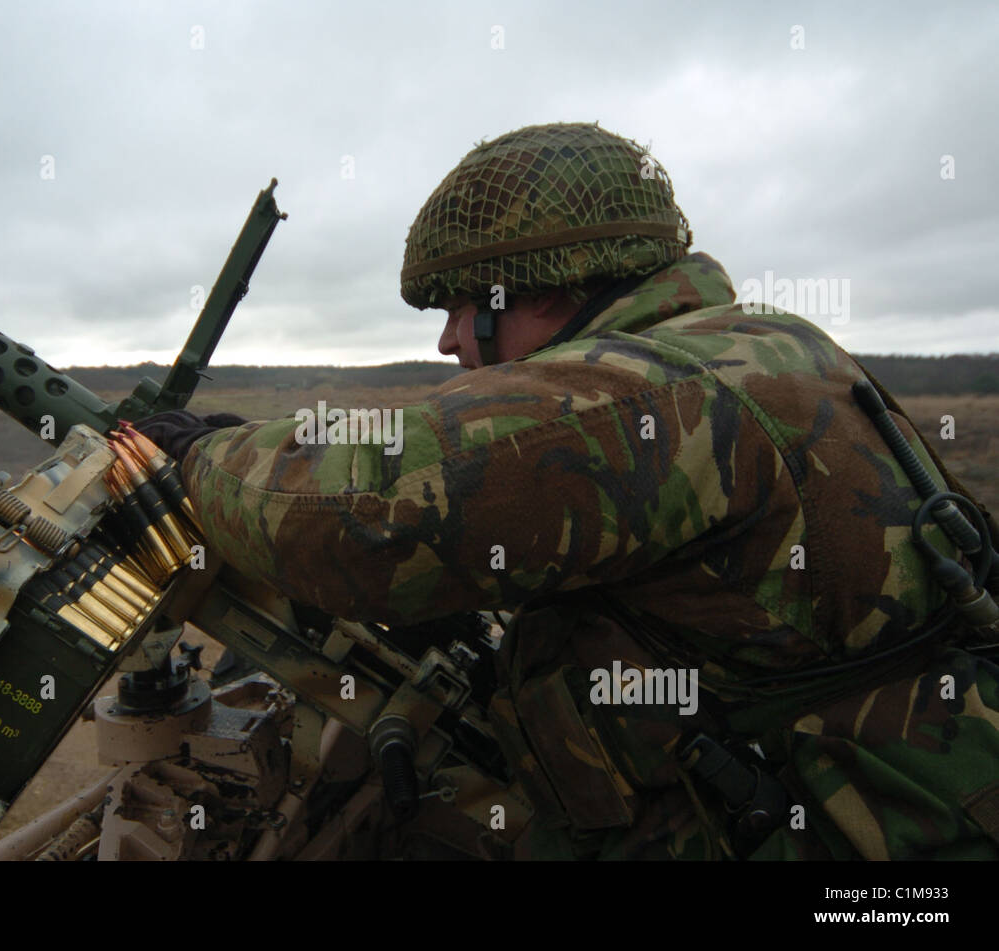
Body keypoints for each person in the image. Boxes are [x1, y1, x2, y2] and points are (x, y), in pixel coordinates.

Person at [138, 123, 999, 860]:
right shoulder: (762, 344)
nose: (444, 340)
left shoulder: (649, 396)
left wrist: (200, 456)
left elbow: (360, 513)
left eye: (459, 306)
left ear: (540, 288)